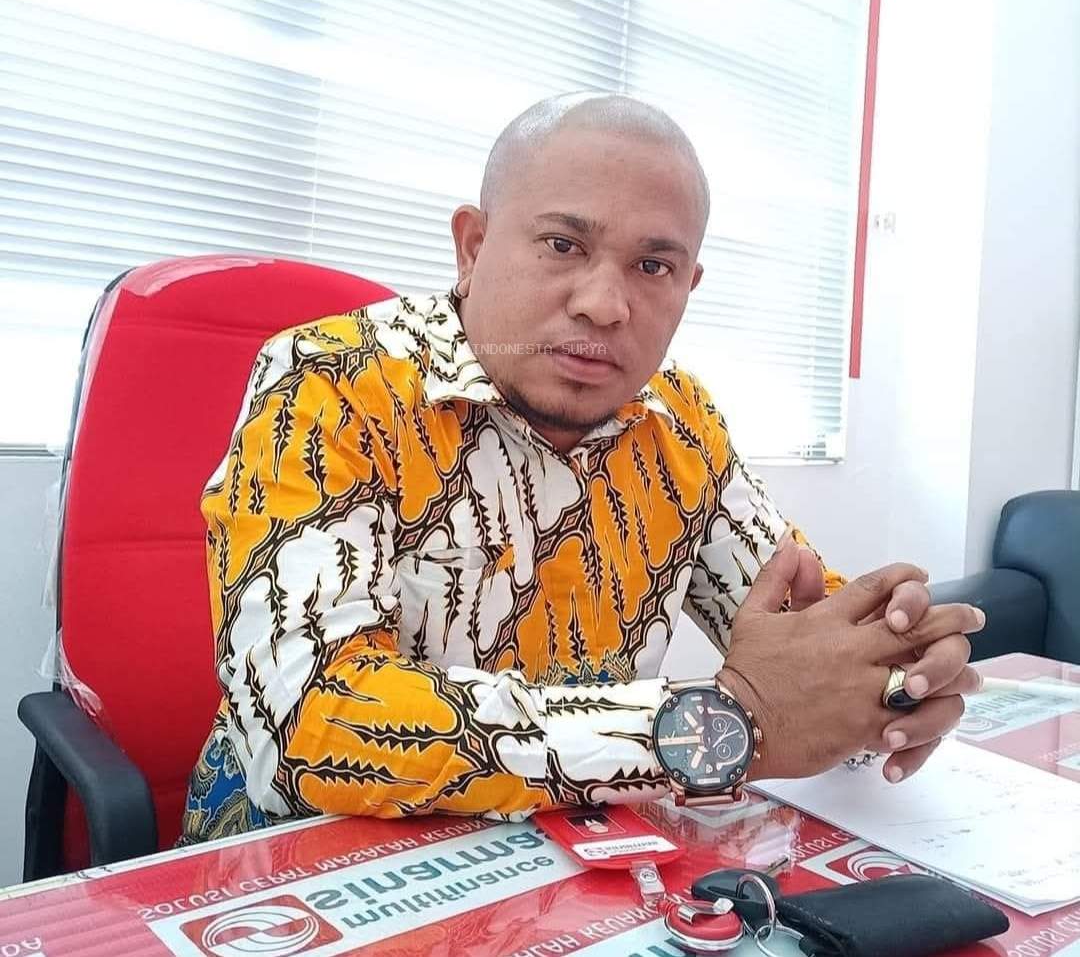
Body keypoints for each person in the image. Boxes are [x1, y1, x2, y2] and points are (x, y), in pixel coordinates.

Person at [181, 93, 983, 844]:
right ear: (473, 246)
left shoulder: (680, 422)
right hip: (309, 870)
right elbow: (312, 722)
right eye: (563, 246)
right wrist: (716, 724)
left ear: (689, 285)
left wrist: (895, 679)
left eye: (653, 266)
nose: (604, 303)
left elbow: (803, 642)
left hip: (579, 861)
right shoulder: (328, 385)